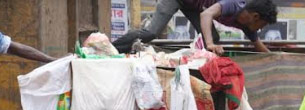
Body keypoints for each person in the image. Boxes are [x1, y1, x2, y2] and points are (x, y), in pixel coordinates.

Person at [112, 0, 277, 54]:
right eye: (261, 25)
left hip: (193, 6)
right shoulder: (234, 5)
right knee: (151, 33)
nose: (258, 30)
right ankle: (112, 48)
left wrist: (276, 56)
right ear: (255, 16)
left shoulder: (248, 25)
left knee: (213, 39)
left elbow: (258, 46)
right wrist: (211, 44)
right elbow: (206, 15)